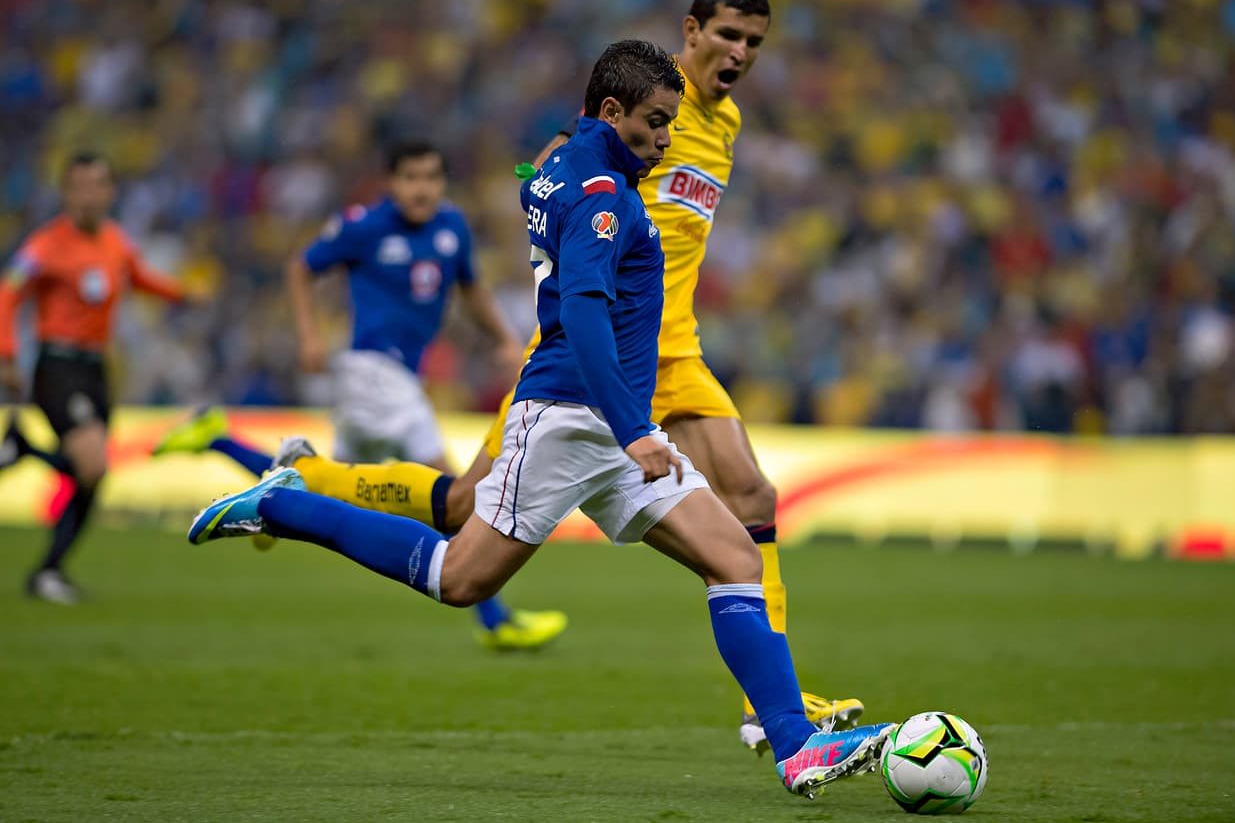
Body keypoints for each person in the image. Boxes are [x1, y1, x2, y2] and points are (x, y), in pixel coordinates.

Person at [186, 39, 894, 798]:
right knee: (459, 576)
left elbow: (533, 179)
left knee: (736, 556)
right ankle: (282, 503)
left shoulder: (560, 167)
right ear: (612, 112)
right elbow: (585, 311)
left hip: (609, 415)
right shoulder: (602, 195)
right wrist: (635, 429)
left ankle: (794, 744)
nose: (665, 139)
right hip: (569, 414)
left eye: (673, 125)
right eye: (655, 124)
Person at [153, 140, 566, 651]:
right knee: (456, 498)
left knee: (325, 479)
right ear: (391, 183)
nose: (423, 189)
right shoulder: (365, 225)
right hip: (373, 371)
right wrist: (308, 334)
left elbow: (470, 287)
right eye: (411, 178)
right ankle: (495, 618)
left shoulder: (451, 228)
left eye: (432, 178)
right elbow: (301, 267)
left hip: (396, 379)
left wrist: (503, 338)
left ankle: (222, 442)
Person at [0, 151, 199, 604]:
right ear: (66, 193)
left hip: (95, 368)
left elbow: (140, 278)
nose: (89, 196)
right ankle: (26, 452)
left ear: (110, 192)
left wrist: (181, 293)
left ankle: (49, 571)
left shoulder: (115, 240)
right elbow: (8, 293)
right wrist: (8, 355)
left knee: (92, 477)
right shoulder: (46, 246)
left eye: (98, 186)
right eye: (80, 187)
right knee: (92, 464)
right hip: (58, 364)